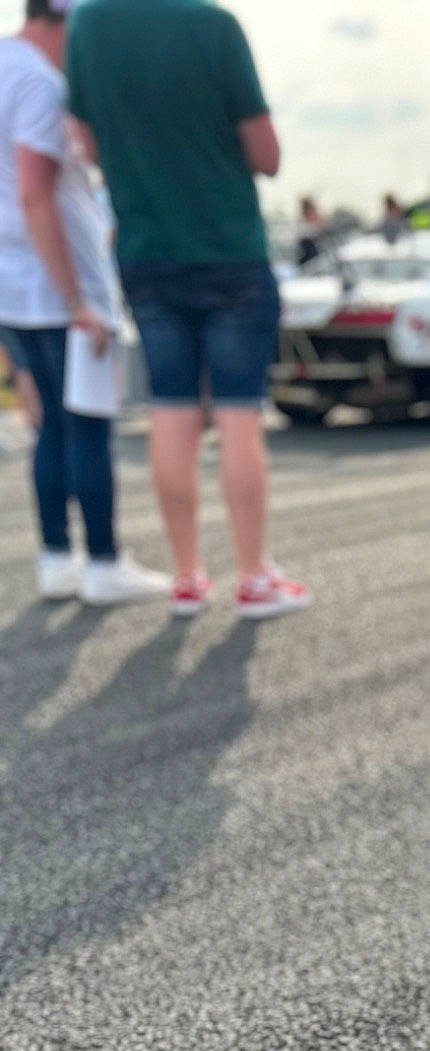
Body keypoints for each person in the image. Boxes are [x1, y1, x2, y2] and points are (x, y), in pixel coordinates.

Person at [67, 0, 309, 620]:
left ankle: (185, 576)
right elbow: (267, 155)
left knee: (170, 411)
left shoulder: (90, 25)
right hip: (227, 247)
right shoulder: (214, 26)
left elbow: (87, 143)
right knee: (237, 416)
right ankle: (254, 577)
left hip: (146, 251)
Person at [0, 0, 167, 603]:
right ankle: (102, 561)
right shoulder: (39, 83)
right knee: (87, 427)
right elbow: (35, 192)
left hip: (16, 283)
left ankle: (56, 557)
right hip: (58, 290)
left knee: (51, 430)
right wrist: (78, 301)